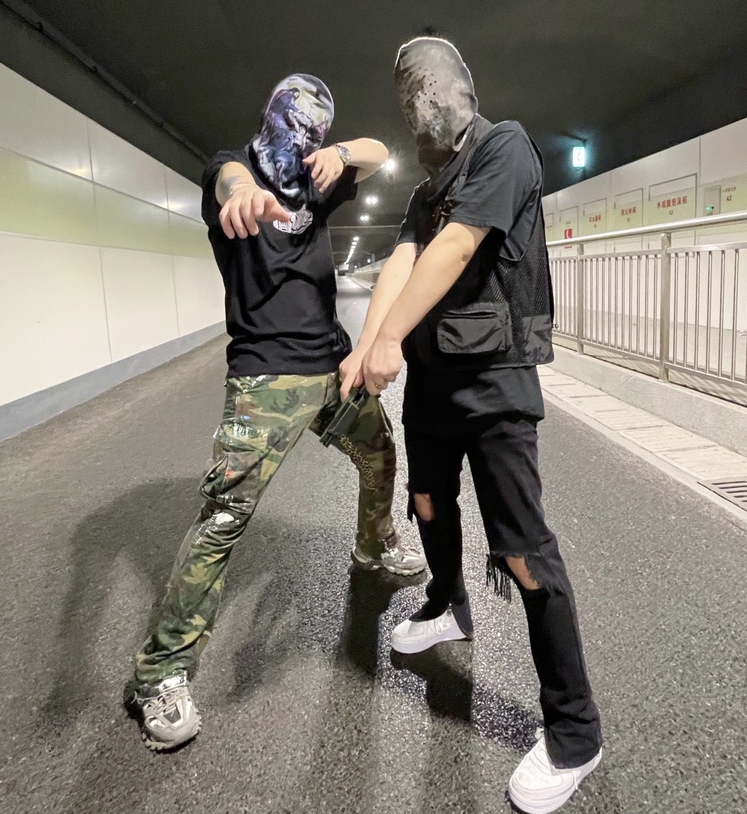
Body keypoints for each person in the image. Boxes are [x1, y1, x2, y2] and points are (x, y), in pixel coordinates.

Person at [340, 40, 603, 812]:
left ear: (461, 89)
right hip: (434, 384)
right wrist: (368, 342)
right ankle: (448, 603)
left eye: (430, 88)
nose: (420, 105)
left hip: (495, 384)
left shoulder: (505, 147)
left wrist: (389, 337)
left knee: (523, 553)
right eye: (408, 94)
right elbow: (404, 260)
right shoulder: (426, 191)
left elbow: (458, 246)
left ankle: (575, 732)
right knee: (427, 503)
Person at [131, 73, 424, 752]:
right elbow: (226, 178)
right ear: (270, 120)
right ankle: (159, 674)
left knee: (380, 453)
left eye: (315, 132)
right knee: (223, 519)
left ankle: (374, 541)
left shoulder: (317, 180)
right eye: (295, 127)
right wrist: (241, 194)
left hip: (333, 368)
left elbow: (380, 151)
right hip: (264, 379)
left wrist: (341, 154)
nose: (302, 140)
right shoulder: (230, 168)